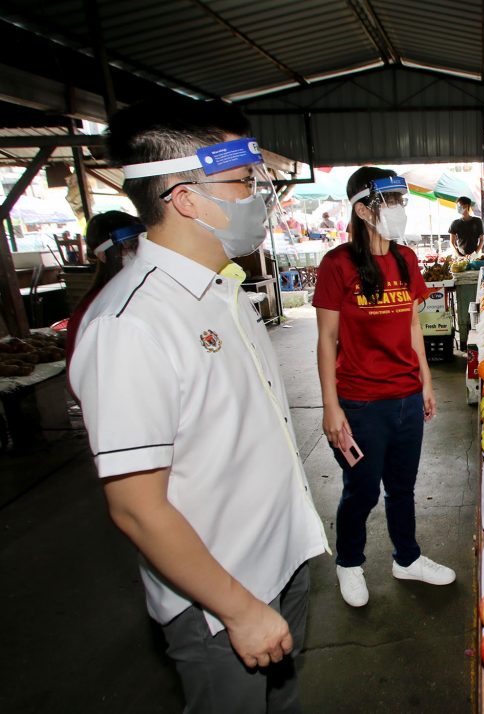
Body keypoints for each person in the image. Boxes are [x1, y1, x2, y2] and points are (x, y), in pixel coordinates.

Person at [69, 97, 329, 714]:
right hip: (220, 603)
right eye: (242, 181)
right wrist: (239, 610)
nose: (257, 196)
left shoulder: (225, 289)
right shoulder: (131, 326)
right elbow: (136, 508)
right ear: (186, 197)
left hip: (280, 564)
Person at [313, 166, 455, 608]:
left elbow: (413, 322)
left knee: (402, 486)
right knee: (361, 489)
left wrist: (426, 382)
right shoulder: (337, 265)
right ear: (362, 210)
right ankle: (349, 562)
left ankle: (406, 558)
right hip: (360, 402)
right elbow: (326, 339)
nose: (398, 210)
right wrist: (330, 407)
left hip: (406, 398)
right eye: (388, 201)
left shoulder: (405, 259)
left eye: (400, 201)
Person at [65, 210, 144, 376]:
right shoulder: (91, 311)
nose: (140, 252)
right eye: (130, 246)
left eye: (143, 243)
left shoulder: (156, 292)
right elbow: (79, 374)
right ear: (102, 255)